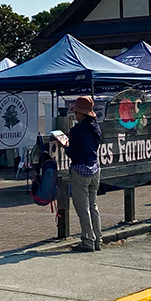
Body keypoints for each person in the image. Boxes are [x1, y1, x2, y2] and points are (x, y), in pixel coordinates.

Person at [62, 95, 102, 252]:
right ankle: (98, 239)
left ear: (81, 113)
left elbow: (72, 152)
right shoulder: (96, 128)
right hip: (95, 169)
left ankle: (87, 240)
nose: (75, 115)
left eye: (77, 112)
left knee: (82, 207)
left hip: (80, 170)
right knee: (93, 206)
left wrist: (64, 145)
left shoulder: (77, 130)